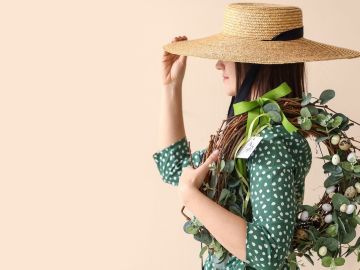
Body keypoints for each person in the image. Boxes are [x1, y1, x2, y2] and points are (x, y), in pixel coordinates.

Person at [152, 3, 360, 270]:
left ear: (256, 63)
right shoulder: (247, 132)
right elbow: (174, 169)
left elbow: (269, 253)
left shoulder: (274, 142)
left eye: (229, 53)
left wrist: (191, 198)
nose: (218, 63)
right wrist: (171, 86)